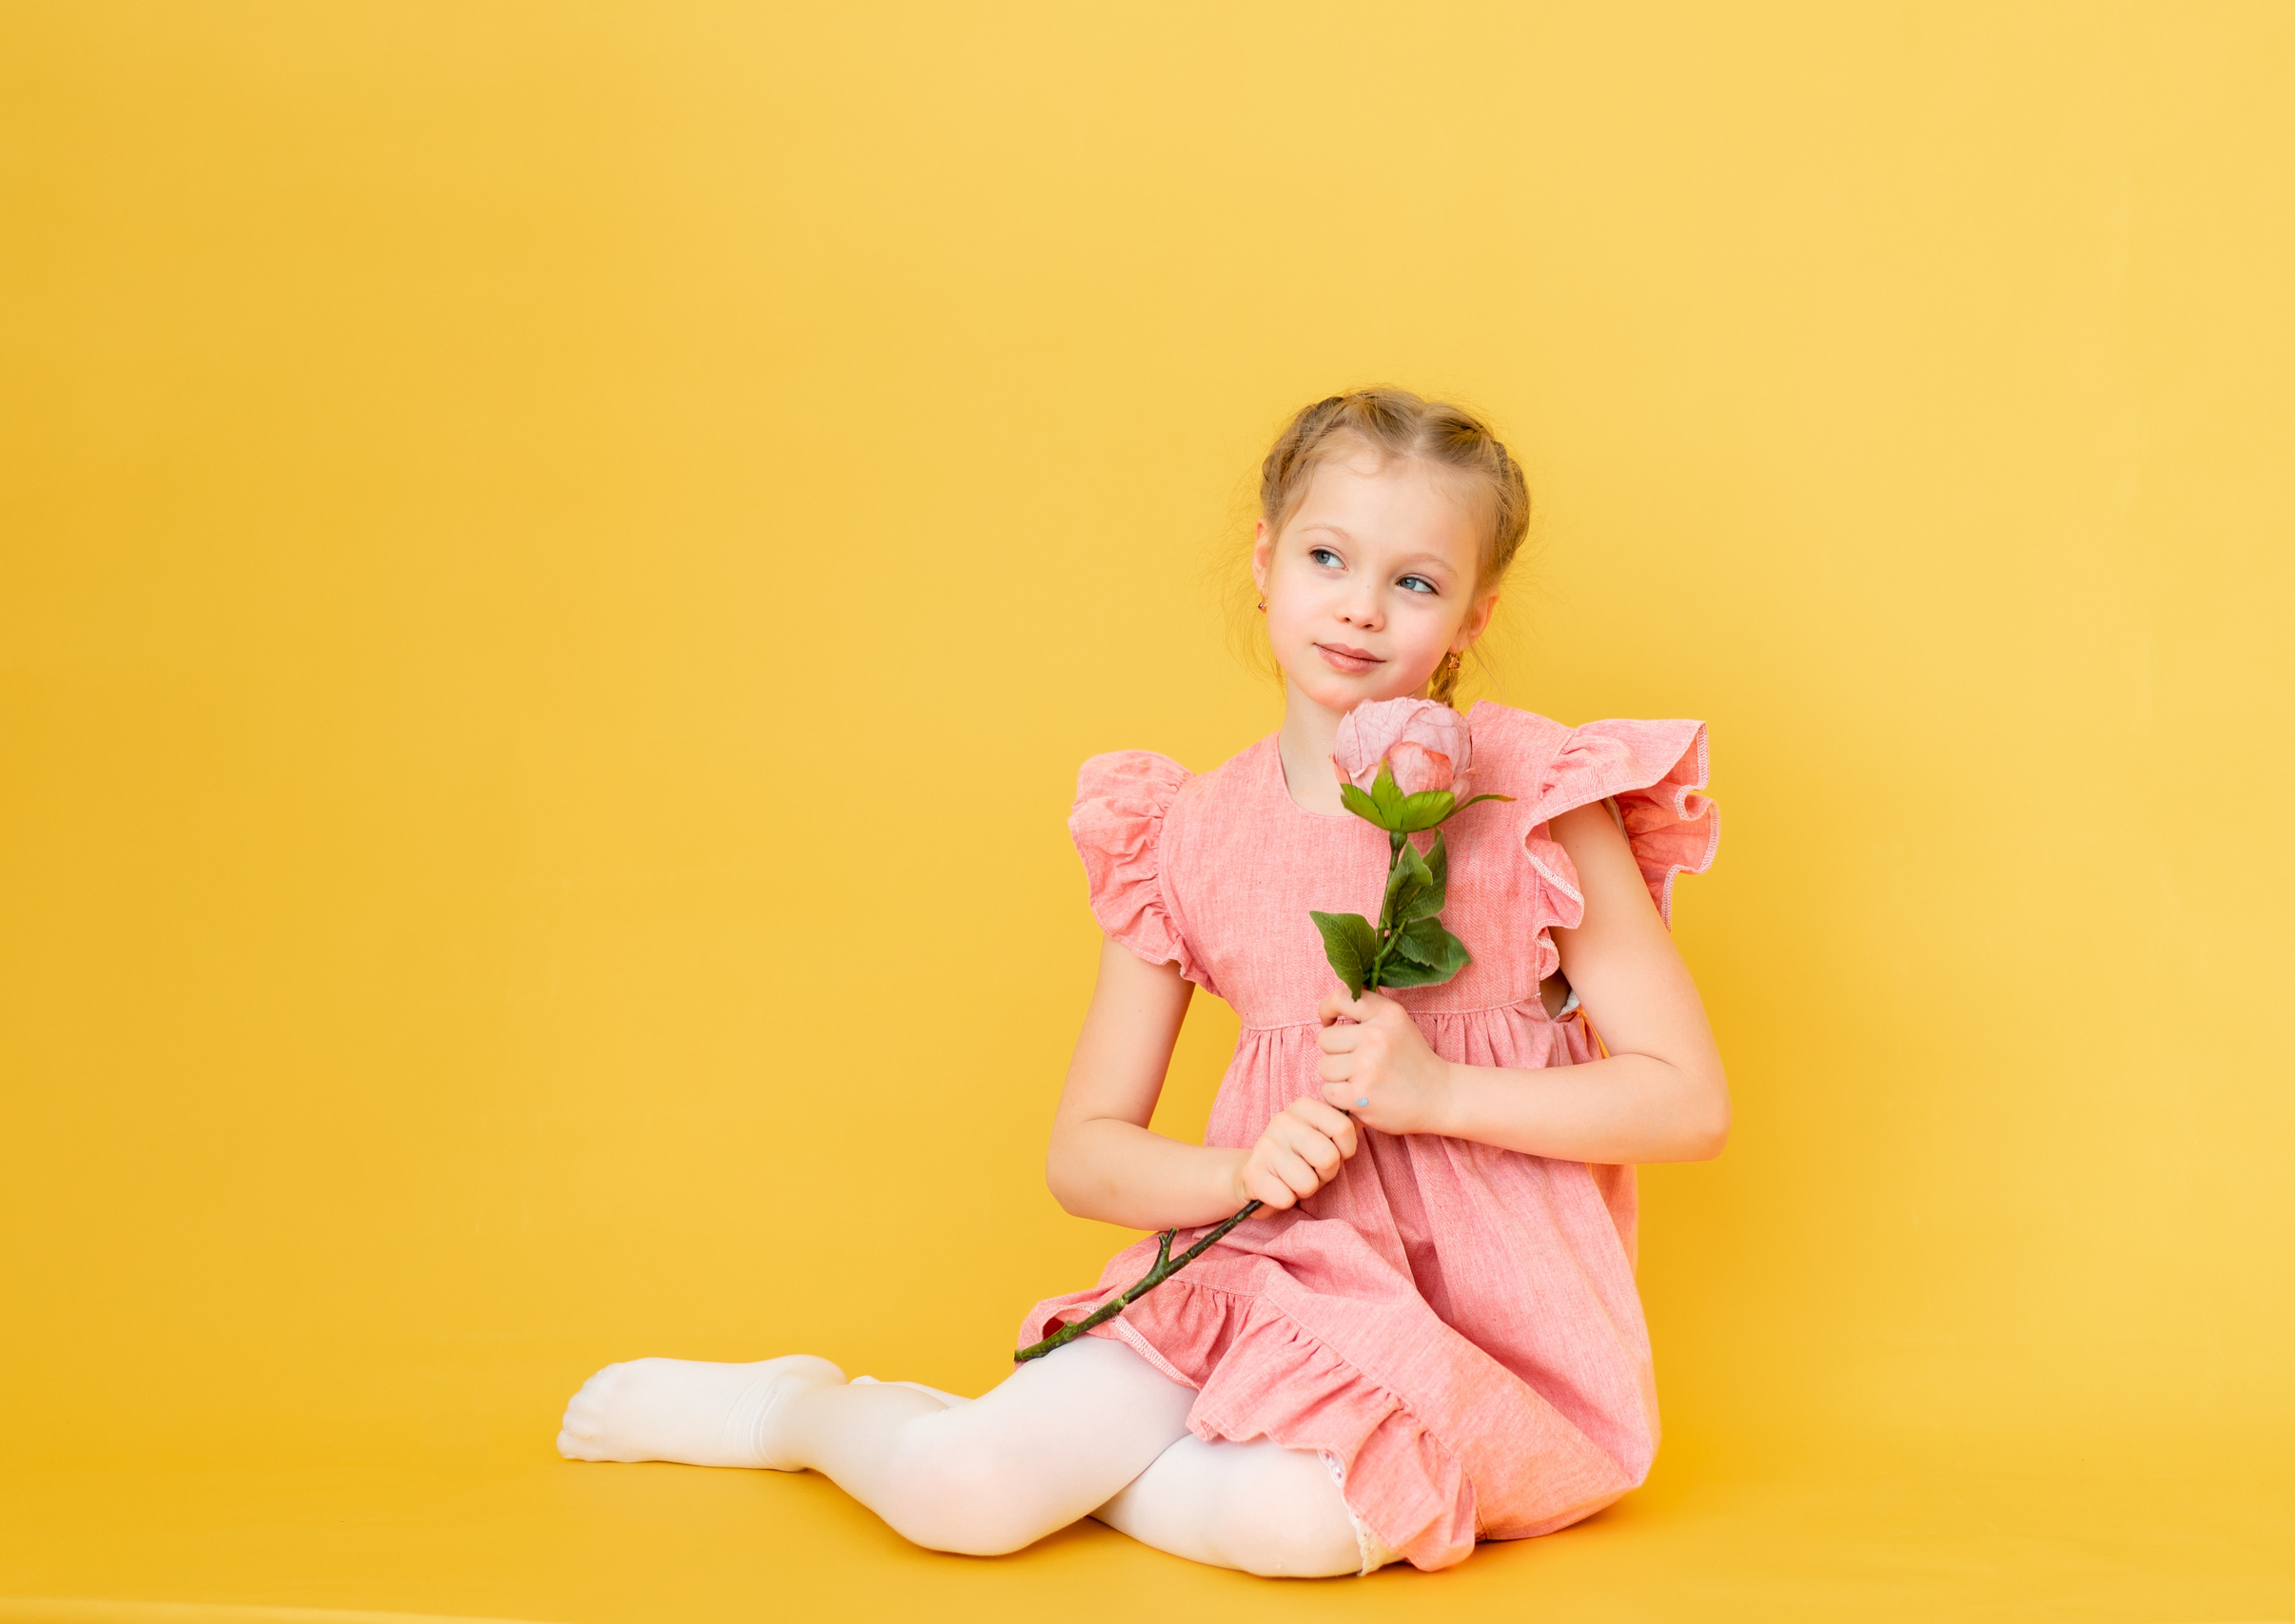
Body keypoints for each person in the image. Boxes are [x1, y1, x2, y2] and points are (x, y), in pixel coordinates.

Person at [557, 387, 1728, 1576]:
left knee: (1298, 1527)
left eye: (1414, 583)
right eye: (1329, 558)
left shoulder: (1530, 798)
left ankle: (1061, 1462)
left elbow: (1687, 1101)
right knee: (964, 1494)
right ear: (1267, 563)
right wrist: (1234, 1173)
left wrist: (1436, 1095)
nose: (1362, 609)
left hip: (1482, 1339)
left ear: (1471, 616)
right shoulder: (1185, 833)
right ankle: (799, 1412)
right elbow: (1086, 1152)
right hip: (1256, 1274)